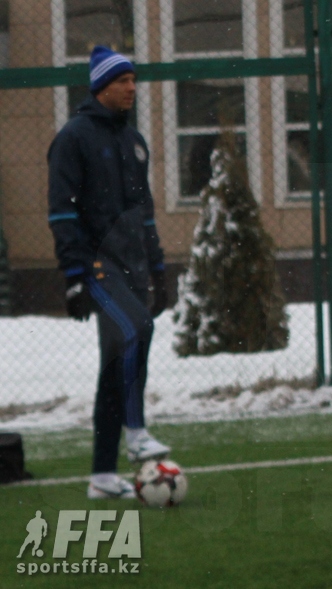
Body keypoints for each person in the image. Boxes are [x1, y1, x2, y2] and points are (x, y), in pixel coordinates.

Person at [47, 46, 171, 499]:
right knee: (137, 328)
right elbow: (61, 212)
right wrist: (75, 274)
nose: (132, 88)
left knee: (116, 362)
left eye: (135, 80)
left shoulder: (134, 141)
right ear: (101, 86)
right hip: (97, 266)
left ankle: (101, 476)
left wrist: (158, 267)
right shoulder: (73, 138)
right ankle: (135, 431)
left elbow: (147, 211)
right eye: (123, 81)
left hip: (133, 265)